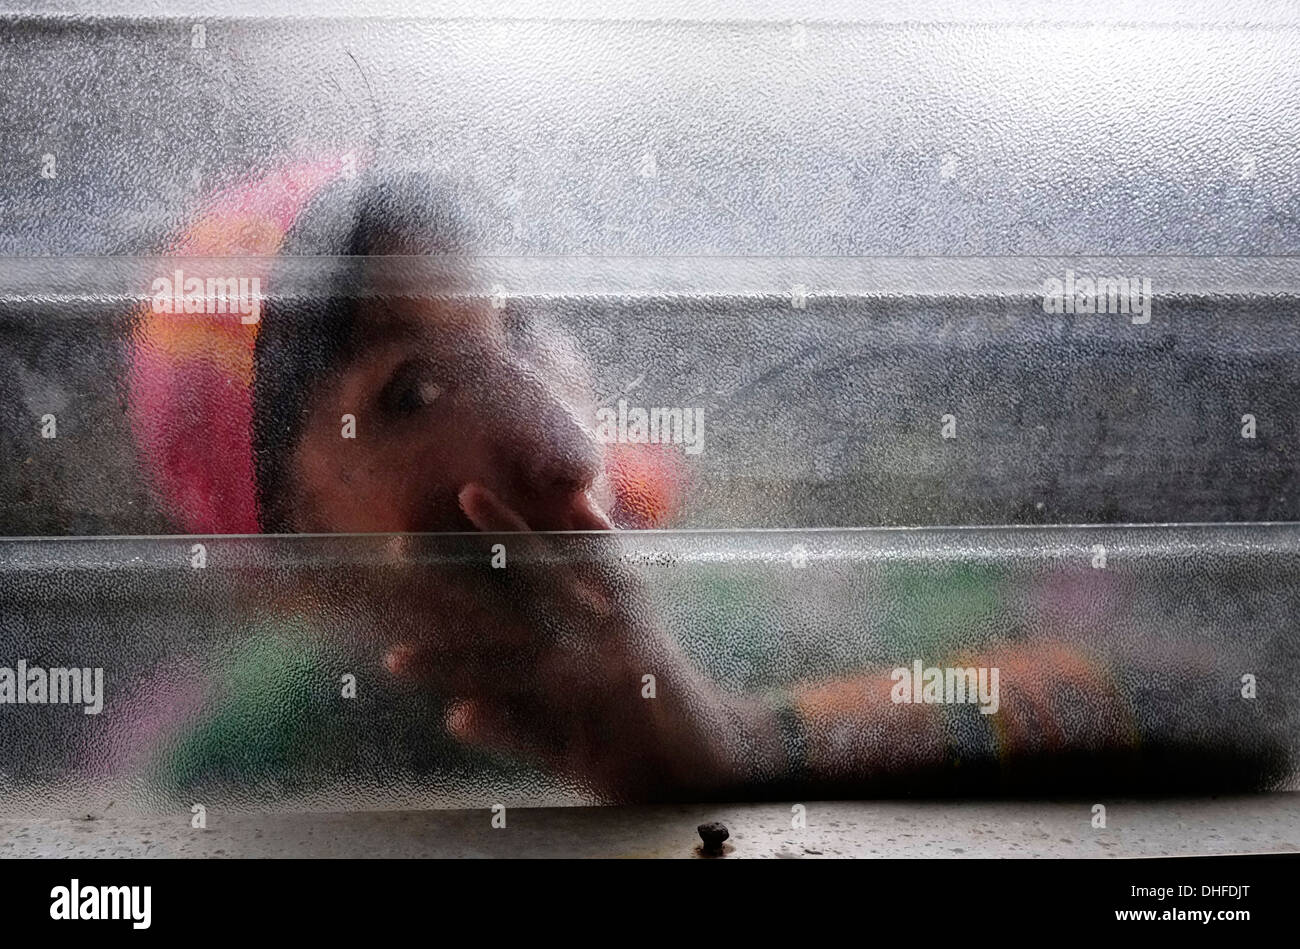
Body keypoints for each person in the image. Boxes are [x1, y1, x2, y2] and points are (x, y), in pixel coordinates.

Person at [124, 162, 1288, 802]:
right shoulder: (239, 759)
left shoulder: (756, 607)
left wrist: (751, 738)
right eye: (411, 393)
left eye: (519, 329)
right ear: (286, 560)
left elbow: (1218, 703)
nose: (556, 441)